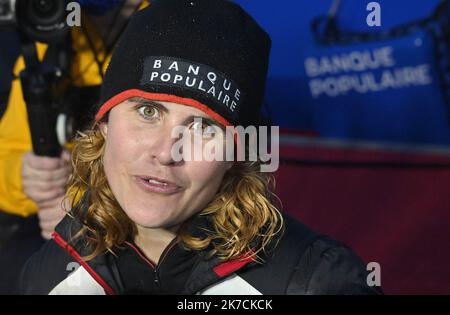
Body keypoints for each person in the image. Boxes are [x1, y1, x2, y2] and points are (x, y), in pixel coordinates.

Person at [19, 0, 382, 295]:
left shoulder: (318, 282)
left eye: (203, 126)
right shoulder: (49, 275)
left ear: (235, 155)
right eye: (148, 111)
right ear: (104, 124)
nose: (166, 152)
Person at [0, 0, 148, 294]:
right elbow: (8, 150)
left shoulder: (173, 37)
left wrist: (83, 207)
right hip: (52, 227)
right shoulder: (54, 36)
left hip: (136, 234)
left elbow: (181, 164)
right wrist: (25, 175)